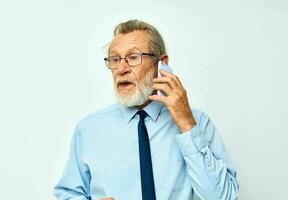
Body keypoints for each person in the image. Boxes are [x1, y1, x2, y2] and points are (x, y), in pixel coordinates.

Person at [53, 19, 239, 200]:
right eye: (115, 59)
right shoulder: (89, 129)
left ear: (162, 63)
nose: (121, 69)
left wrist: (187, 124)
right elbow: (69, 193)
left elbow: (224, 197)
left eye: (133, 57)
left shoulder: (197, 122)